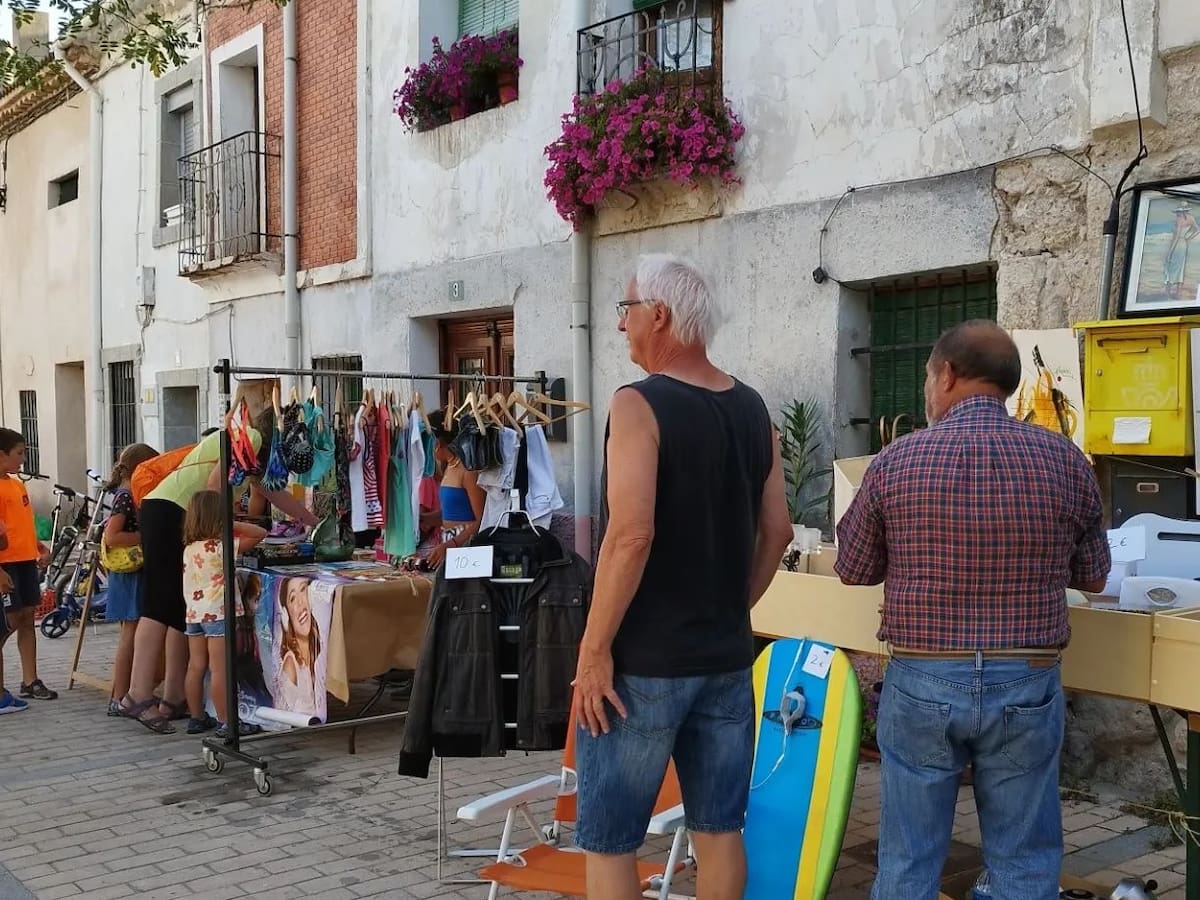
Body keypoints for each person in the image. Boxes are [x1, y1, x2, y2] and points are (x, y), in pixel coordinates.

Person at [834, 320, 1111, 900]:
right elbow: (1093, 575)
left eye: (928, 379)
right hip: (1027, 680)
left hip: (923, 678)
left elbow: (854, 568)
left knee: (908, 860)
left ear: (948, 375)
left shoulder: (896, 461)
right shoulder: (1065, 460)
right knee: (1025, 862)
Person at [571, 254, 792, 900]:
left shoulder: (638, 404)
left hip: (642, 662)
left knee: (611, 840)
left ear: (659, 315)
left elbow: (630, 534)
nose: (621, 327)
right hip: (725, 659)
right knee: (719, 830)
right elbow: (777, 530)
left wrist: (593, 648)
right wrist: (729, 606)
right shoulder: (755, 410)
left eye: (626, 309)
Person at [118, 381, 319, 734]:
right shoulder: (248, 437)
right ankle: (136, 695)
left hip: (167, 508)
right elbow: (214, 488)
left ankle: (172, 697)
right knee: (159, 606)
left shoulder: (240, 435)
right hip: (173, 510)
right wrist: (231, 527)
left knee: (176, 609)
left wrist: (312, 520)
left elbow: (267, 489)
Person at [181, 490, 268, 737]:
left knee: (196, 666)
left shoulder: (190, 549)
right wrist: (233, 524)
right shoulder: (221, 547)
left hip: (194, 615)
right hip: (218, 614)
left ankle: (196, 717)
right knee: (221, 669)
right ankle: (227, 722)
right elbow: (260, 534)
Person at [102, 442, 161, 716]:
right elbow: (112, 536)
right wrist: (147, 538)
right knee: (130, 635)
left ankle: (125, 693)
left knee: (133, 634)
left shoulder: (127, 493)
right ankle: (119, 696)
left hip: (134, 573)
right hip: (129, 574)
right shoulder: (126, 496)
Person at [0, 427, 56, 712]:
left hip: (24, 560)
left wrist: (38, 546)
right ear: (2, 455)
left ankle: (30, 679)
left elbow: (20, 522)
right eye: (19, 453)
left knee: (26, 619)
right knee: (7, 622)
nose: (23, 459)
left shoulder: (16, 484)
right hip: (5, 564)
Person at [425, 412, 486, 569]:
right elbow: (450, 513)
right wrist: (422, 519)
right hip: (450, 544)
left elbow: (483, 520)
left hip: (467, 551)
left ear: (438, 443)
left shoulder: (468, 471)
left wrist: (452, 544)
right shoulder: (449, 467)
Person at [275, 577, 322, 714]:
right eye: (293, 598)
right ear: (286, 613)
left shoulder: (318, 652)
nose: (301, 602)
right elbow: (285, 714)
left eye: (304, 590)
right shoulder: (291, 663)